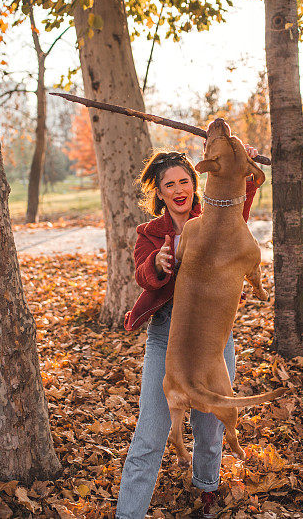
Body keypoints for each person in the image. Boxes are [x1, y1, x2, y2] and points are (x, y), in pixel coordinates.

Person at [118, 145, 260, 519]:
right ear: (159, 193)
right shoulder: (149, 234)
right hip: (168, 340)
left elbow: (238, 204)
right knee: (149, 436)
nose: (179, 189)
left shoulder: (214, 216)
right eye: (169, 184)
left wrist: (241, 162)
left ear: (195, 184)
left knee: (210, 429)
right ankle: (128, 514)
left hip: (214, 340)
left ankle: (206, 492)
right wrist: (159, 263)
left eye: (184, 180)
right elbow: (142, 275)